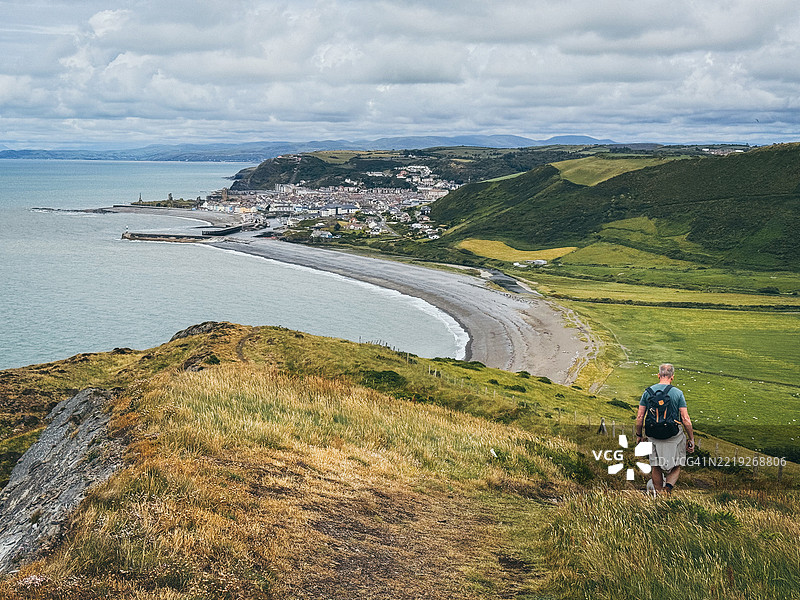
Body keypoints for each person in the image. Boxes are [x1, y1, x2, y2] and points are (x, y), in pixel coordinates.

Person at [635, 363, 695, 494]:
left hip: (653, 435)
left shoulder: (648, 392)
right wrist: (691, 438)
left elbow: (640, 417)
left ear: (658, 375)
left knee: (655, 465)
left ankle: (658, 493)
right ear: (672, 377)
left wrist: (639, 435)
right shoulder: (677, 393)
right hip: (673, 435)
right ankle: (667, 489)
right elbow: (685, 419)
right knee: (677, 465)